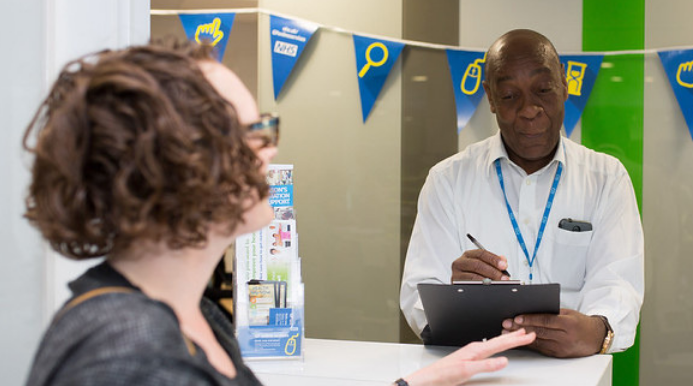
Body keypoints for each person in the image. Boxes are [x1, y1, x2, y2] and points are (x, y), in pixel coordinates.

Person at [23, 41, 535, 386]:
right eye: (253, 133)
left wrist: (415, 381)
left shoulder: (188, 314)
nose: (270, 151)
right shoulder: (129, 355)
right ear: (172, 165)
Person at [400, 29, 644, 358]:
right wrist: (452, 296)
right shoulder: (448, 180)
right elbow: (418, 293)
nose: (529, 110)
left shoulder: (606, 178)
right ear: (489, 97)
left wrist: (597, 329)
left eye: (543, 90)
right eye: (510, 96)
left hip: (573, 373)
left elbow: (619, 283)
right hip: (477, 372)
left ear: (565, 83)